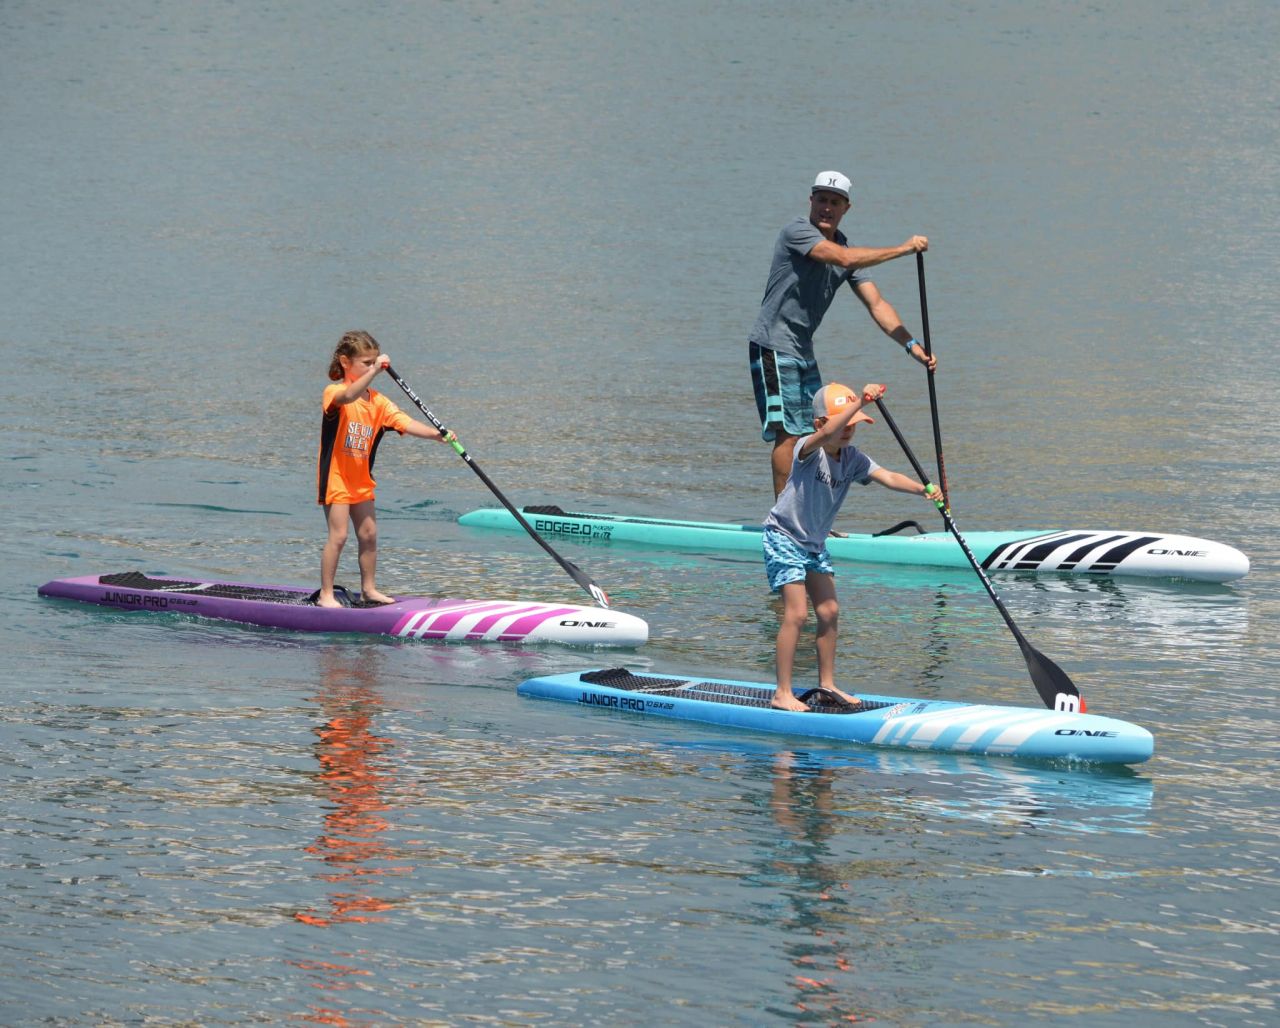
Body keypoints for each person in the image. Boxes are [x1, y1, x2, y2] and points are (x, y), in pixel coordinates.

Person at [749, 170, 937, 498]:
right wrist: (904, 249)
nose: (826, 207)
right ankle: (783, 518)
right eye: (821, 199)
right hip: (773, 346)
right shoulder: (797, 232)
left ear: (845, 208)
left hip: (802, 350)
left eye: (834, 202)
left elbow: (876, 303)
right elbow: (843, 258)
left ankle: (807, 514)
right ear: (811, 201)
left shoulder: (846, 247)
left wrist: (912, 345)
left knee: (818, 431)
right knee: (790, 435)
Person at [764, 382, 942, 712]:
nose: (848, 431)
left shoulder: (853, 459)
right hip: (784, 537)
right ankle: (782, 693)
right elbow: (829, 429)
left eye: (854, 425)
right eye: (843, 424)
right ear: (820, 425)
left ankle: (827, 684)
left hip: (814, 544)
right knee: (797, 613)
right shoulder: (807, 450)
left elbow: (887, 476)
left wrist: (923, 490)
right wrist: (860, 399)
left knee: (830, 612)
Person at [316, 330, 455, 608]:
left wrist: (436, 435)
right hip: (336, 478)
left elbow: (404, 422)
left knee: (369, 535)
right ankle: (326, 595)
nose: (371, 367)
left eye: (373, 362)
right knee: (339, 536)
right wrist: (376, 370)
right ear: (345, 362)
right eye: (365, 363)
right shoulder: (334, 393)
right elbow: (348, 395)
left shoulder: (378, 403)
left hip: (361, 480)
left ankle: (369, 590)